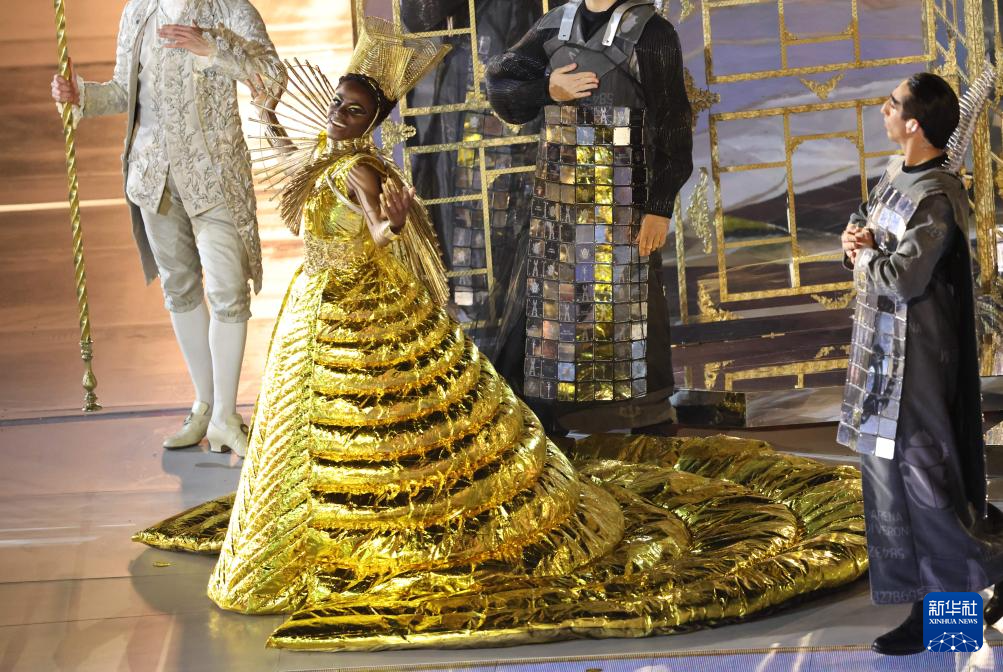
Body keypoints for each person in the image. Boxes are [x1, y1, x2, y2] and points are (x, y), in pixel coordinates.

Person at [131, 15, 867, 651]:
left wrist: (389, 225)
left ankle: (950, 609)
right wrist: (545, 89)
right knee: (333, 422)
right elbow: (504, 88)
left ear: (371, 119)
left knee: (392, 412)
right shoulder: (546, 33)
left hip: (443, 266)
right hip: (345, 300)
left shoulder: (363, 167)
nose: (339, 117)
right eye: (338, 106)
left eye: (353, 110)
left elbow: (381, 226)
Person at [50, 0, 283, 456]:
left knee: (228, 290)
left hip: (215, 177)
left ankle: (225, 416)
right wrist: (81, 96)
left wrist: (213, 49)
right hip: (153, 177)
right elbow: (124, 91)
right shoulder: (138, 11)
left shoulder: (230, 10)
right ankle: (206, 405)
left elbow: (272, 78)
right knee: (179, 288)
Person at [838, 71, 1003, 656]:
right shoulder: (896, 174)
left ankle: (958, 616)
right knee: (892, 487)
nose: (883, 109)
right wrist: (853, 242)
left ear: (913, 123)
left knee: (927, 486)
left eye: (892, 104)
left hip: (918, 364)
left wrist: (864, 259)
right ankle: (924, 607)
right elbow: (865, 223)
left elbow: (904, 278)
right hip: (881, 360)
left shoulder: (936, 196)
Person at [484, 0, 693, 435]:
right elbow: (500, 86)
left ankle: (645, 420)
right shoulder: (553, 26)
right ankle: (552, 419)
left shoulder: (652, 33)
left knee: (630, 309)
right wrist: (547, 89)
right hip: (559, 203)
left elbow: (674, 123)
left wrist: (659, 208)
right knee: (555, 310)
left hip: (625, 203)